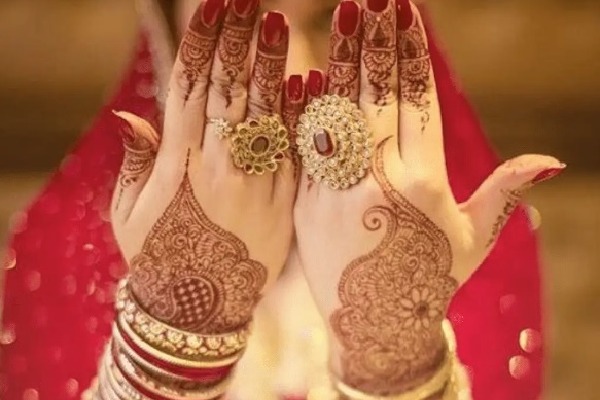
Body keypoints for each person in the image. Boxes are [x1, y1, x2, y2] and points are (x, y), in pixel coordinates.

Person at [0, 0, 563, 399]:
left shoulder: (460, 252)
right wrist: (172, 344)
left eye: (331, 22)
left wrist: (393, 360)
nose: (290, 73)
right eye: (241, 23)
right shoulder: (60, 249)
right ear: (169, 30)